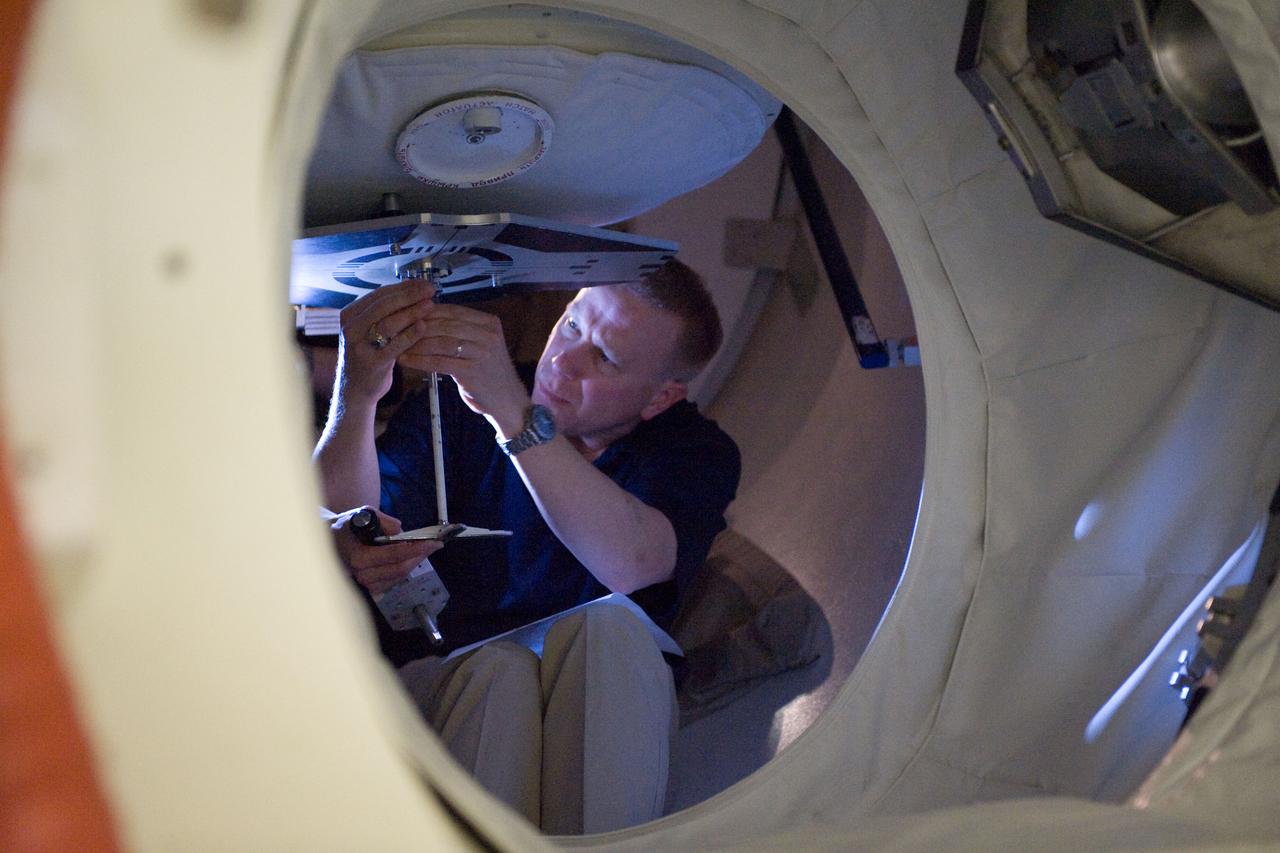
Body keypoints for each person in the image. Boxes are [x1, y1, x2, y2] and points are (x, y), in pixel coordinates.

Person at [316, 260, 740, 833]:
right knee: (500, 673)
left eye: (604, 358)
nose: (562, 362)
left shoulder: (691, 451)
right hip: (451, 672)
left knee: (612, 630)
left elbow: (635, 563)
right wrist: (358, 394)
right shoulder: (458, 402)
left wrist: (513, 414)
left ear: (660, 397)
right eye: (570, 327)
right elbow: (351, 512)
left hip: (598, 679)